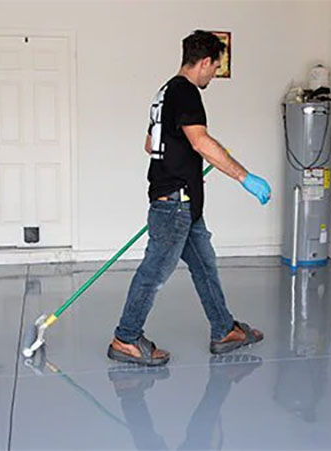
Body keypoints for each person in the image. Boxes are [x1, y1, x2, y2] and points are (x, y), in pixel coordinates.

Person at [107, 30, 271, 366]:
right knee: (154, 272)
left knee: (205, 266)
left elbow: (151, 145)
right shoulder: (187, 92)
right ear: (205, 62)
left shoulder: (165, 92)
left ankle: (224, 330)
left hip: (182, 201)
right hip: (175, 204)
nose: (214, 74)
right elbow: (200, 141)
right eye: (216, 67)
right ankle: (126, 338)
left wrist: (188, 163)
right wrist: (244, 177)